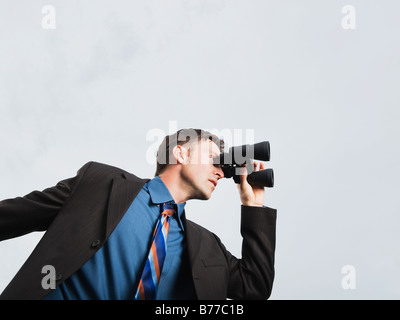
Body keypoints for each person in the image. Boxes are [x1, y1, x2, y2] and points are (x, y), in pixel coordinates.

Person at [0, 128, 277, 300]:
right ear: (179, 154)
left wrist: (253, 207)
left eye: (224, 166)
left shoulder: (207, 247)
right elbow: (19, 213)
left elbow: (255, 286)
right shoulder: (102, 184)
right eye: (215, 159)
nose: (220, 170)